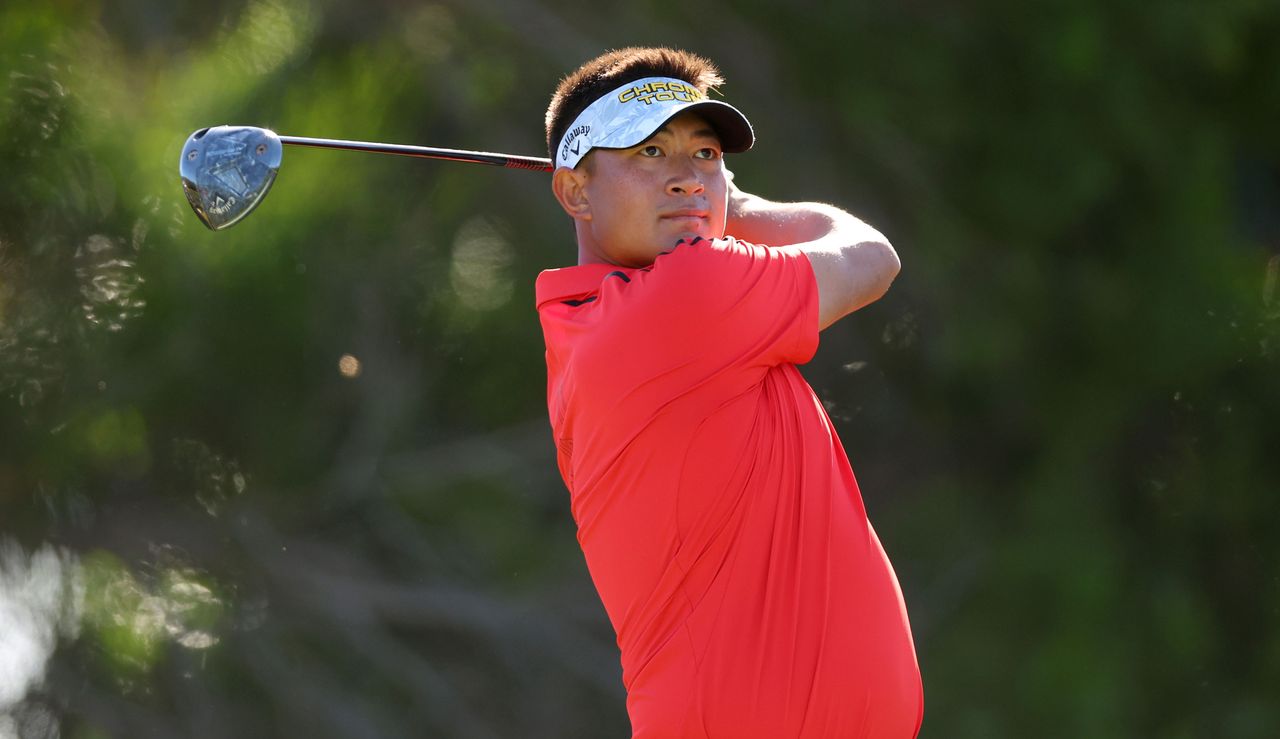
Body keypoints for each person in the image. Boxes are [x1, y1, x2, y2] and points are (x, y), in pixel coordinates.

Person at [535, 47, 923, 738]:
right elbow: (870, 256)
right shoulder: (687, 295)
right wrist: (738, 205)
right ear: (575, 192)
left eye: (706, 154)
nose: (687, 178)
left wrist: (708, 203)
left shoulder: (587, 325)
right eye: (650, 151)